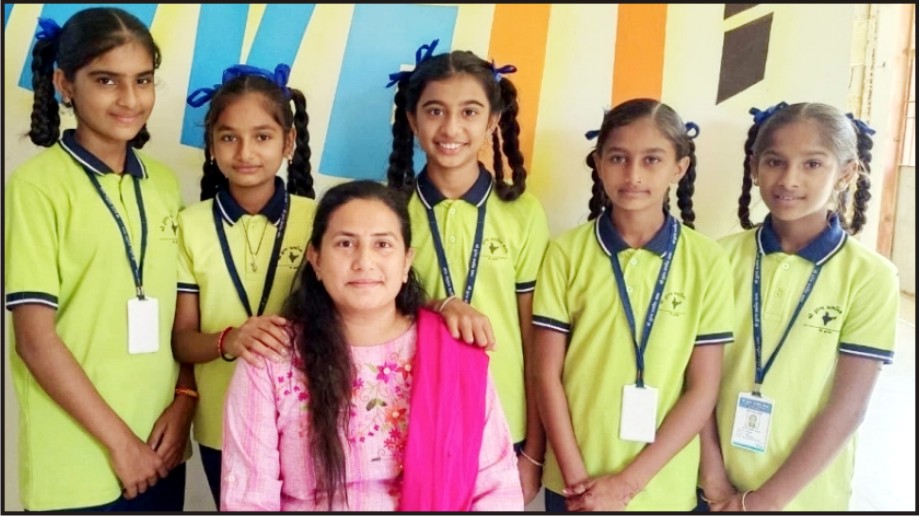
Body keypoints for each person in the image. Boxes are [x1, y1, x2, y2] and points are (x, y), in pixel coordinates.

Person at [220, 180, 524, 511]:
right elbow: (248, 500)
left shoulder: (452, 352)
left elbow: (497, 490)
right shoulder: (271, 357)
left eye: (382, 244)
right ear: (316, 260)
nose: (364, 261)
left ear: (406, 261)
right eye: (345, 243)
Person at [4, 7, 194, 511]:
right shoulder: (36, 187)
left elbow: (183, 318)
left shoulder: (163, 184)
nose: (130, 99)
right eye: (107, 80)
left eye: (143, 80)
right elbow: (34, 340)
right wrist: (122, 446)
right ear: (65, 84)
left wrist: (185, 401)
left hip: (160, 448)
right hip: (78, 464)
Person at [533, 98, 735, 511]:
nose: (633, 175)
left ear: (679, 168)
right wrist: (577, 480)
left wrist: (627, 484)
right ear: (598, 163)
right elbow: (546, 374)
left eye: (652, 160)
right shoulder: (565, 253)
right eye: (618, 158)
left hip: (663, 487)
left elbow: (703, 388)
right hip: (574, 483)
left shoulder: (707, 260)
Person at [698, 102, 899, 512]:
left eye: (812, 164)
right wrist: (712, 476)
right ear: (755, 167)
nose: (789, 179)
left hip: (804, 497)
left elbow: (848, 407)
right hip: (710, 488)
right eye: (775, 161)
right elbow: (696, 380)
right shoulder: (716, 258)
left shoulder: (871, 276)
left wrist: (767, 500)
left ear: (846, 173)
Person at [384, 39, 551, 503]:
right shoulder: (388, 212)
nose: (451, 127)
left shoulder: (523, 213)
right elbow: (369, 315)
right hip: (408, 418)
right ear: (412, 119)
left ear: (493, 120)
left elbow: (534, 339)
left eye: (470, 112)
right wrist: (439, 305)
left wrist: (535, 452)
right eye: (435, 111)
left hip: (504, 423)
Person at [171, 62, 317, 507]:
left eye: (263, 136)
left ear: (288, 142)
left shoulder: (320, 219)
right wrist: (230, 339)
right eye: (229, 137)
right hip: (223, 425)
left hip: (306, 420)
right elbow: (182, 341)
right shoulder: (189, 225)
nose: (245, 152)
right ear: (211, 145)